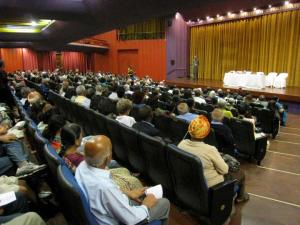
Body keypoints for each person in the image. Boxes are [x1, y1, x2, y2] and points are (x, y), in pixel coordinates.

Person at [75, 135, 170, 225]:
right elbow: (132, 219)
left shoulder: (82, 166)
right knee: (164, 203)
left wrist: (128, 193)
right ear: (108, 158)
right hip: (123, 220)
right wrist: (146, 206)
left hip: (106, 211)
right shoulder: (105, 186)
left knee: (141, 196)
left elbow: (109, 195)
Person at [178, 115, 248, 202]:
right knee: (241, 173)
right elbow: (224, 170)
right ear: (206, 133)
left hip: (190, 181)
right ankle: (240, 197)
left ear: (190, 130)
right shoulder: (210, 150)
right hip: (212, 187)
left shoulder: (182, 144)